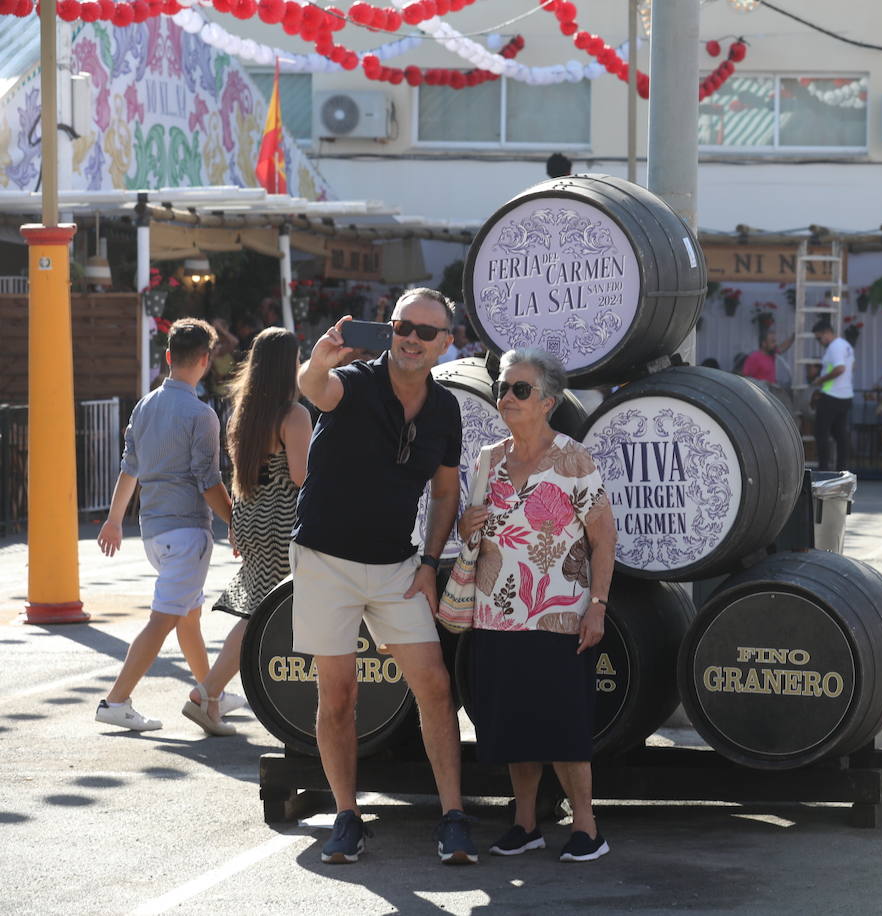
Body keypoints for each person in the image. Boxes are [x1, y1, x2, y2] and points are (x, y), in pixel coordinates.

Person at [294, 288, 474, 865]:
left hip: (398, 564)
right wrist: (320, 360)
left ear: (447, 343)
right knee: (339, 695)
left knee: (436, 687)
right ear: (389, 328)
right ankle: (347, 817)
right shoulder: (357, 381)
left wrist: (428, 563)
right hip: (325, 559)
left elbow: (446, 492)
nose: (412, 339)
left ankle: (453, 818)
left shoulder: (446, 409)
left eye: (427, 332)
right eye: (403, 326)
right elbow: (314, 389)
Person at [457, 348, 616, 864]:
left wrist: (598, 604)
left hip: (558, 614)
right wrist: (466, 526)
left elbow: (603, 540)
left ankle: (587, 828)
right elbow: (474, 529)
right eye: (503, 387)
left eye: (519, 389)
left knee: (564, 727)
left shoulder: (575, 459)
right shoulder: (488, 459)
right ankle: (525, 824)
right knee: (513, 725)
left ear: (547, 401)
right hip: (496, 614)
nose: (507, 397)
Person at [95, 319, 233, 732]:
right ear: (206, 361)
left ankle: (214, 693)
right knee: (164, 619)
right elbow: (208, 480)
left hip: (152, 532)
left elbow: (129, 468)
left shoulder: (144, 406)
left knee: (187, 616)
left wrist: (114, 521)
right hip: (187, 531)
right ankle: (116, 700)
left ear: (169, 356)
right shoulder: (202, 414)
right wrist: (237, 523)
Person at [184, 329, 312, 736]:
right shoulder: (293, 415)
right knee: (265, 614)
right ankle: (208, 692)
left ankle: (210, 695)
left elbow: (241, 475)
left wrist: (237, 525)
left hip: (251, 517)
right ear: (288, 366)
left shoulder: (243, 412)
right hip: (283, 522)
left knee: (261, 611)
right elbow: (301, 476)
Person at [809, 318, 855, 471]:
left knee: (821, 432)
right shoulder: (846, 345)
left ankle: (824, 469)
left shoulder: (834, 347)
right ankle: (842, 469)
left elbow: (840, 369)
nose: (819, 341)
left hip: (832, 395)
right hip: (845, 394)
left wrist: (820, 379)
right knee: (839, 434)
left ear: (826, 332)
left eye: (819, 337)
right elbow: (850, 368)